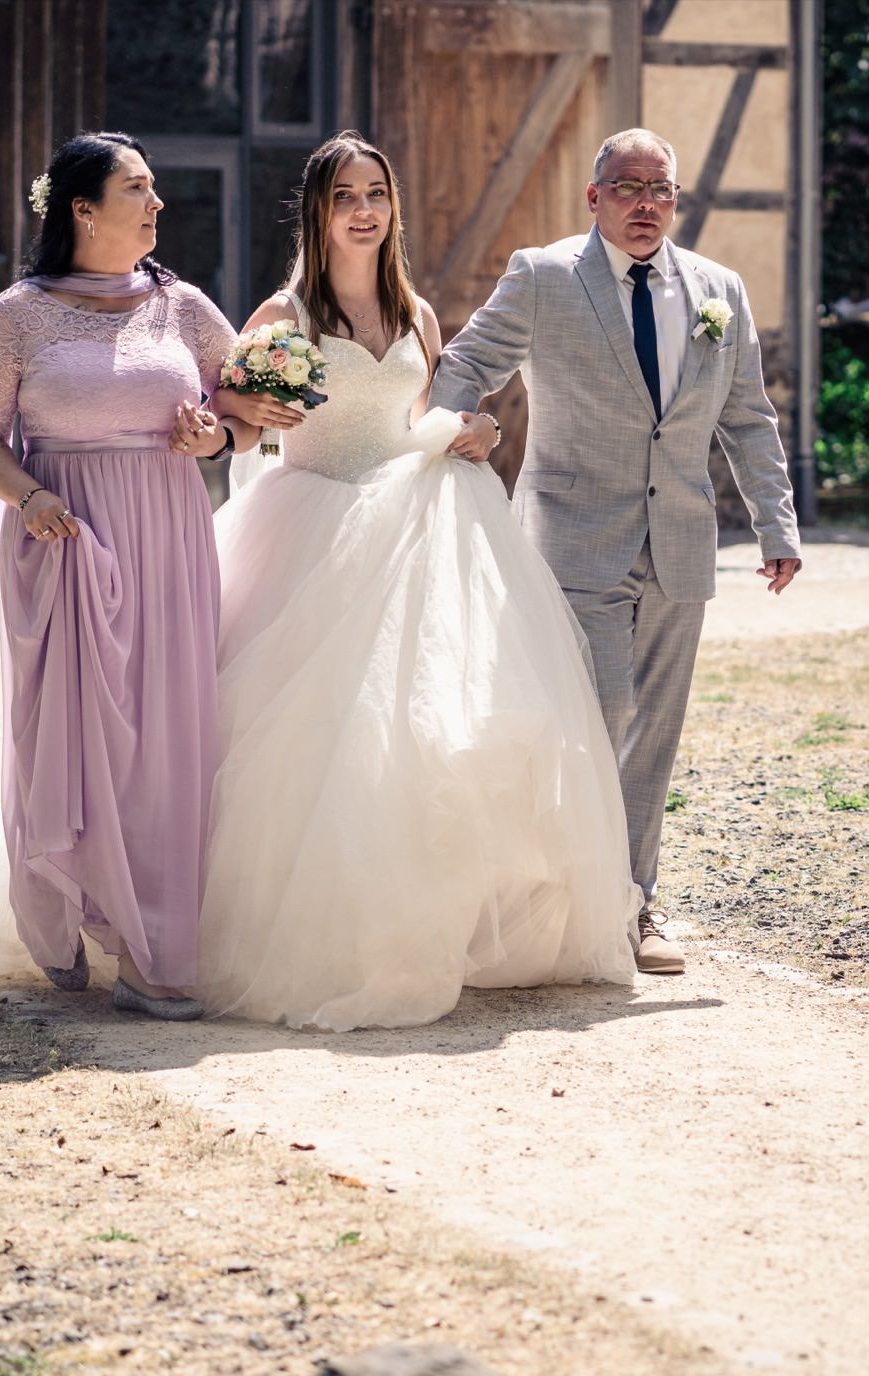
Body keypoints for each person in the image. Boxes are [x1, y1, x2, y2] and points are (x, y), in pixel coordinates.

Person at [199, 132, 638, 1031]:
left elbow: (434, 414)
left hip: (413, 526)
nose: (365, 210)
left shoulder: (417, 315)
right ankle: (306, 925)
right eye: (345, 196)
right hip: (311, 526)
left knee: (429, 729)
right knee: (301, 737)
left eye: (377, 194)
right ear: (318, 212)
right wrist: (247, 412)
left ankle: (439, 915)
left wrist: (479, 433)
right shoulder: (281, 318)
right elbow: (238, 418)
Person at [0, 132, 246, 1021]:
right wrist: (30, 495)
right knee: (69, 737)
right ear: (83, 208)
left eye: (155, 189)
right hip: (63, 535)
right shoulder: (19, 314)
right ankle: (72, 904)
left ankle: (155, 954)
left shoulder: (183, 305)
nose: (158, 205)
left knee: (165, 735)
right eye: (138, 189)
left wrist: (217, 437)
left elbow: (248, 405)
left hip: (167, 534)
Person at [428, 127, 802, 974]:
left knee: (652, 737)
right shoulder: (544, 275)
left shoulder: (719, 290)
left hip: (679, 541)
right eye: (627, 187)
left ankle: (632, 906)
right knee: (597, 720)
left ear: (676, 201)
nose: (645, 203)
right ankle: (550, 894)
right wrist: (442, 441)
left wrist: (775, 525)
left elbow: (747, 416)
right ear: (593, 198)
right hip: (572, 535)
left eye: (660, 189)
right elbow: (467, 362)